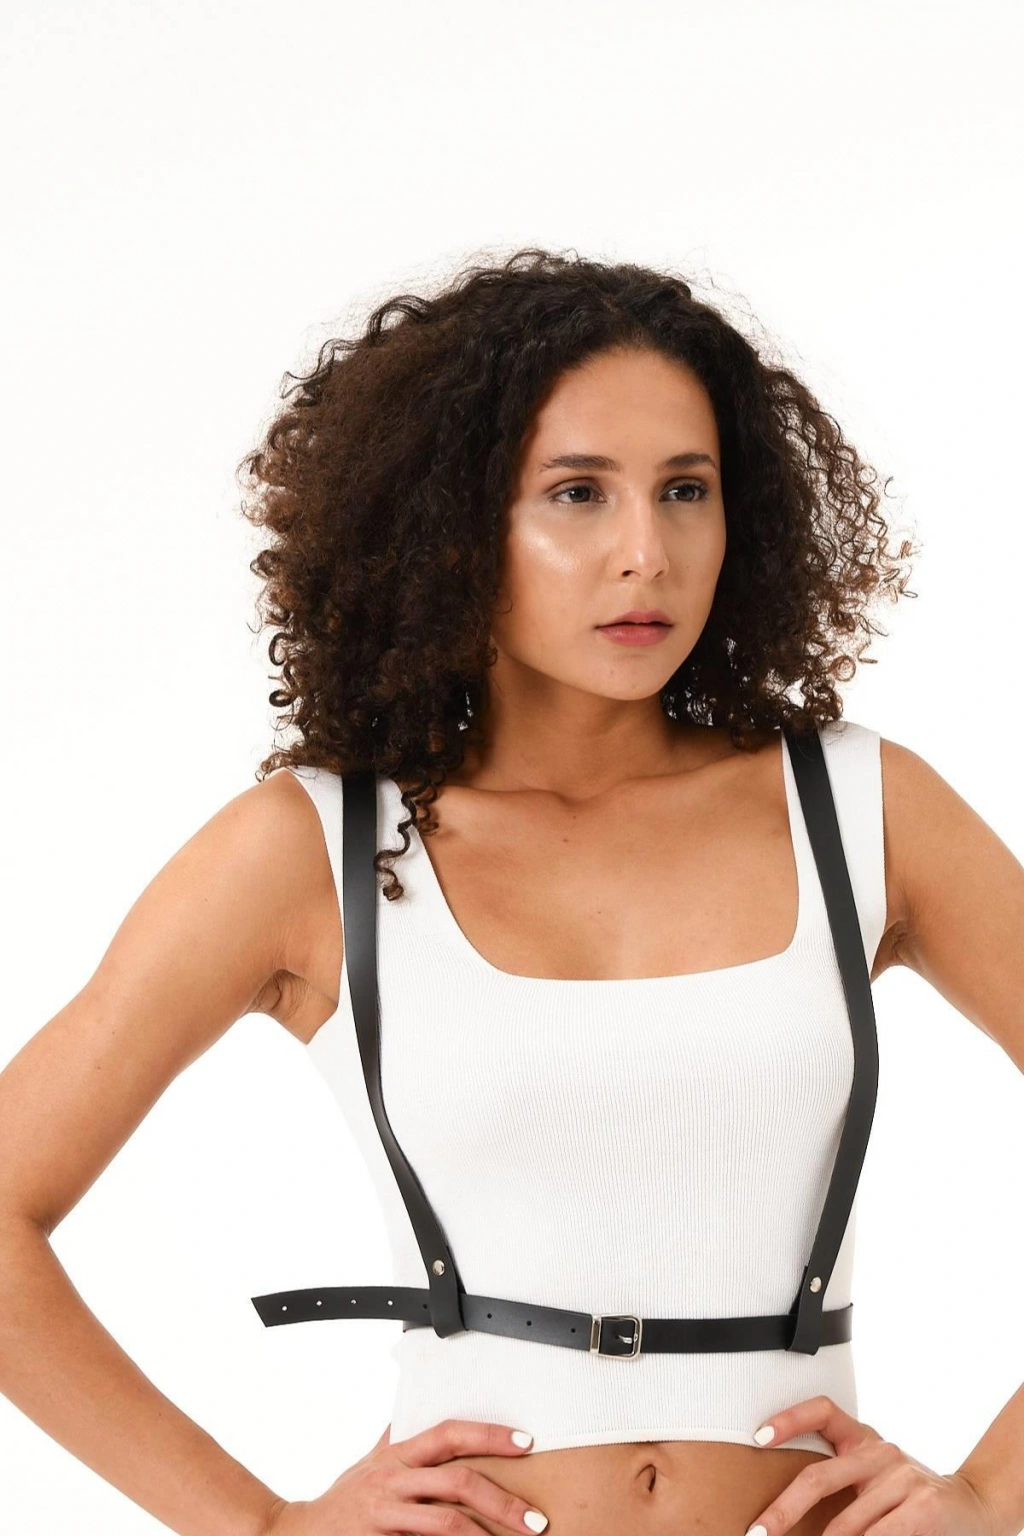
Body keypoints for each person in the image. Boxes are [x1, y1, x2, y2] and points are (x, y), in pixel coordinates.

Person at [0, 249, 1020, 1536]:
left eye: (686, 490)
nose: (645, 553)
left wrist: (992, 1495)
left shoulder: (861, 810)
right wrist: (262, 1526)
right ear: (452, 521)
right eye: (577, 493)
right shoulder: (312, 849)